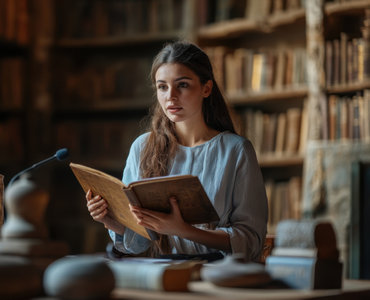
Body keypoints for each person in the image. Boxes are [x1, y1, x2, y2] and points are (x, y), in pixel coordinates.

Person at [86, 41, 268, 262]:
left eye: (182, 85)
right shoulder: (143, 147)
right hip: (162, 270)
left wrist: (183, 229)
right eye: (162, 86)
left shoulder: (236, 151)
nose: (170, 96)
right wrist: (110, 219)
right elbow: (138, 242)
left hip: (219, 273)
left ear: (206, 88)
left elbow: (251, 242)